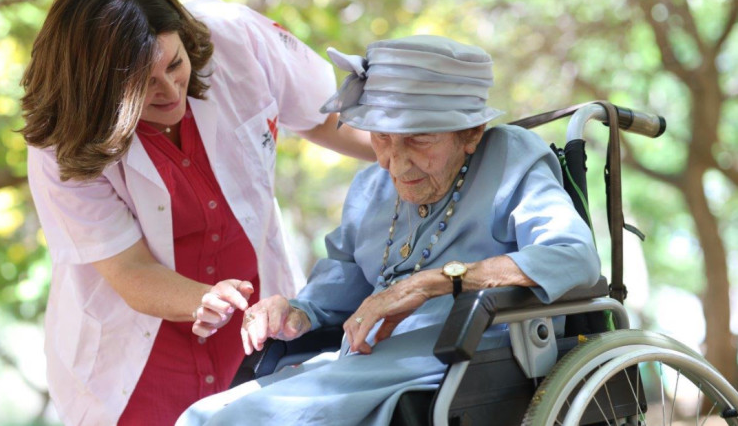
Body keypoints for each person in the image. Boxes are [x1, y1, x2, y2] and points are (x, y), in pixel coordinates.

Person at [177, 35, 601, 425]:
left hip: (460, 359)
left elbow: (573, 255)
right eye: (382, 138)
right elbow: (329, 297)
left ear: (470, 132)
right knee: (202, 414)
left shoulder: (510, 156)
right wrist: (291, 312)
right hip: (362, 362)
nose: (394, 165)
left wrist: (433, 282)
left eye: (419, 139)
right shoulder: (370, 187)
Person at [20, 0, 375, 426]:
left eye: (174, 64)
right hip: (136, 366)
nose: (171, 91)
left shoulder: (237, 40)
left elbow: (330, 119)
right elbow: (129, 269)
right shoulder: (61, 139)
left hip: (255, 335)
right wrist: (202, 299)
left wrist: (417, 151)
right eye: (142, 84)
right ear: (99, 88)